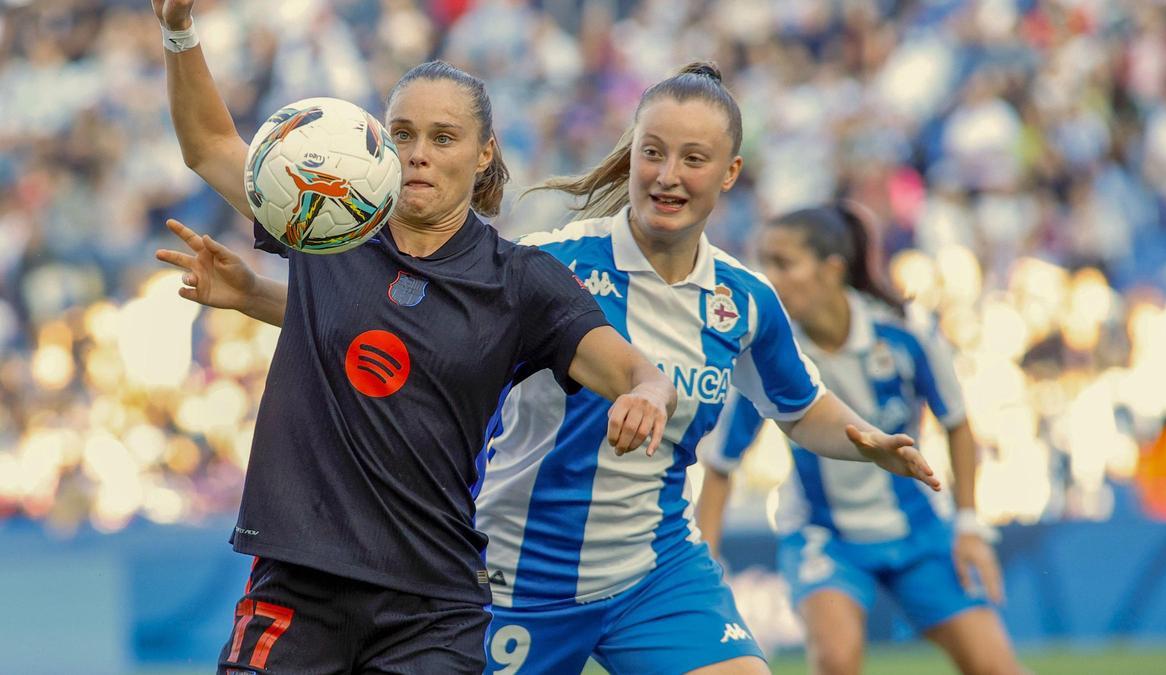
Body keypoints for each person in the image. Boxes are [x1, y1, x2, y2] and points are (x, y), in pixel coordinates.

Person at [166, 56, 943, 673]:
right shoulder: (481, 254)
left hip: (627, 569)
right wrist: (262, 295)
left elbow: (783, 403)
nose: (669, 174)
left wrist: (859, 437)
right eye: (653, 153)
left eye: (693, 158)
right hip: (497, 571)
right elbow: (399, 319)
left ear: (729, 173)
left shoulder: (713, 296)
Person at [151, 1, 676, 672]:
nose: (420, 155)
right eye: (402, 134)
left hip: (431, 607)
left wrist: (650, 395)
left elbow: (635, 370)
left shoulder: (520, 281)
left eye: (443, 137)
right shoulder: (328, 219)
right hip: (299, 581)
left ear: (484, 152)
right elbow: (208, 147)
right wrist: (178, 28)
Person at [696, 204, 1024, 675]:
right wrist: (705, 568)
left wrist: (970, 526)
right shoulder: (769, 351)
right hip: (824, 537)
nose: (771, 279)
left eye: (783, 264)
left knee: (997, 669)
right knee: (836, 662)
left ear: (832, 269)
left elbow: (957, 421)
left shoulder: (905, 331)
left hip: (919, 531)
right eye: (764, 264)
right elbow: (722, 464)